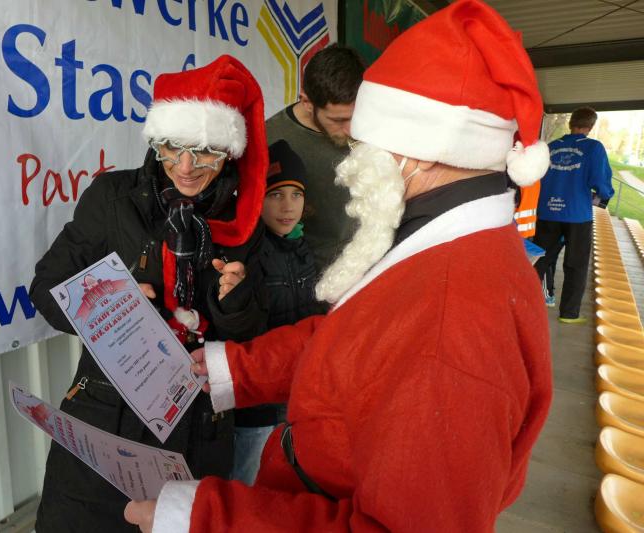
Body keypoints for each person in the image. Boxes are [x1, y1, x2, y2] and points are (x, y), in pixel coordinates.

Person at [124, 1, 553, 531]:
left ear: (418, 150)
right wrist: (237, 368)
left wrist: (204, 517)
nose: (353, 156)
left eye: (367, 138)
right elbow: (354, 345)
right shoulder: (442, 244)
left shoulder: (452, 325)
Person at [29, 54, 270, 532]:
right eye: (172, 148)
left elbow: (251, 330)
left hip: (198, 425)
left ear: (228, 152)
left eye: (205, 151)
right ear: (157, 141)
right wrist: (109, 304)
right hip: (108, 417)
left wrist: (236, 301)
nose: (186, 167)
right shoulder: (114, 199)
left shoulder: (244, 221)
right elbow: (47, 285)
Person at [231, 140, 326, 485]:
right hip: (255, 408)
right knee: (246, 483)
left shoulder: (303, 250)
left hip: (296, 401)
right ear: (257, 198)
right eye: (275, 195)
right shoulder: (245, 255)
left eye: (296, 195)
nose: (288, 206)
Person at [266, 44, 366, 274]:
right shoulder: (270, 141)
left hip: (370, 270)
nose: (351, 129)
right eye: (338, 120)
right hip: (308, 280)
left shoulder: (372, 125)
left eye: (356, 116)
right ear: (307, 102)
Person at [533, 106, 615, 323]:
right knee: (576, 264)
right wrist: (606, 195)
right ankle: (569, 314)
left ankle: (524, 304)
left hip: (547, 212)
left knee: (540, 260)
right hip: (577, 215)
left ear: (571, 123)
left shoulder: (550, 147)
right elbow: (601, 180)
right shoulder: (593, 147)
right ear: (591, 126)